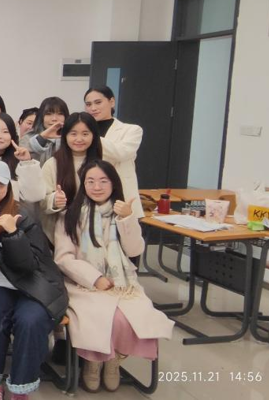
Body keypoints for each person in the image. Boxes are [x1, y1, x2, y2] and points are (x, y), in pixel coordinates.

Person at [55, 160, 173, 392]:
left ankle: (113, 362)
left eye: (103, 181)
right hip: (83, 285)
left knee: (129, 316)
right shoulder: (70, 215)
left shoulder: (122, 214)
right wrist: (94, 278)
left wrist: (127, 220)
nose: (97, 187)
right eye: (90, 181)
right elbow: (63, 258)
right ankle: (93, 363)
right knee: (101, 317)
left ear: (114, 184)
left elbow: (134, 250)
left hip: (123, 284)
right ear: (83, 184)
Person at [0, 160, 67, 400]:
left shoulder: (23, 214)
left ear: (8, 186)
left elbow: (28, 266)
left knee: (30, 320)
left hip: (32, 284)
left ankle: (21, 387)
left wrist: (13, 233)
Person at [39, 113, 103, 244]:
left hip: (94, 233)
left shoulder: (102, 165)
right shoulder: (52, 164)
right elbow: (41, 201)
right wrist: (55, 200)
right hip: (59, 236)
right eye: (73, 134)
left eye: (85, 134)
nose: (79, 139)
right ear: (65, 136)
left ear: (94, 136)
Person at [84, 86, 144, 218]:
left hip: (121, 198)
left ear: (112, 102)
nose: (93, 108)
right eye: (88, 104)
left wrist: (90, 135)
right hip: (89, 197)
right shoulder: (82, 132)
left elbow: (121, 153)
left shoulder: (132, 130)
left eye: (98, 102)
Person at [19, 97, 69, 165]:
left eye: (60, 114)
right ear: (41, 116)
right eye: (48, 114)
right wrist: (41, 138)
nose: (54, 119)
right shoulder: (28, 138)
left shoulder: (70, 137)